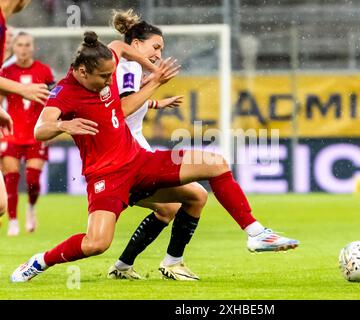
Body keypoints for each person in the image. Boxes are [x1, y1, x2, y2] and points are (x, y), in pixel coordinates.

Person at [10, 31, 297, 283]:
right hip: (106, 177)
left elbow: (118, 47)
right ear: (83, 72)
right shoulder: (64, 93)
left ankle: (256, 233)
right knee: (96, 244)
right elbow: (40, 129)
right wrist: (62, 125)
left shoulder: (104, 59)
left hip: (140, 162)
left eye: (112, 75)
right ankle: (39, 261)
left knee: (215, 166)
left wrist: (151, 67)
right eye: (104, 77)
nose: (110, 82)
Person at [106, 10, 299, 282]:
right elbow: (122, 109)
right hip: (131, 161)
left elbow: (117, 103)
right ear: (136, 44)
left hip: (121, 162)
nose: (160, 55)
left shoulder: (128, 69)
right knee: (216, 164)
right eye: (156, 47)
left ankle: (131, 266)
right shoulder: (130, 66)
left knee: (184, 202)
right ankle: (256, 233)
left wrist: (154, 100)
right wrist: (155, 84)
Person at [0, 0, 51, 223]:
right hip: (15, 135)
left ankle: (29, 211)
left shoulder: (3, 21)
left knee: (1, 203)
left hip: (32, 134)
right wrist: (23, 89)